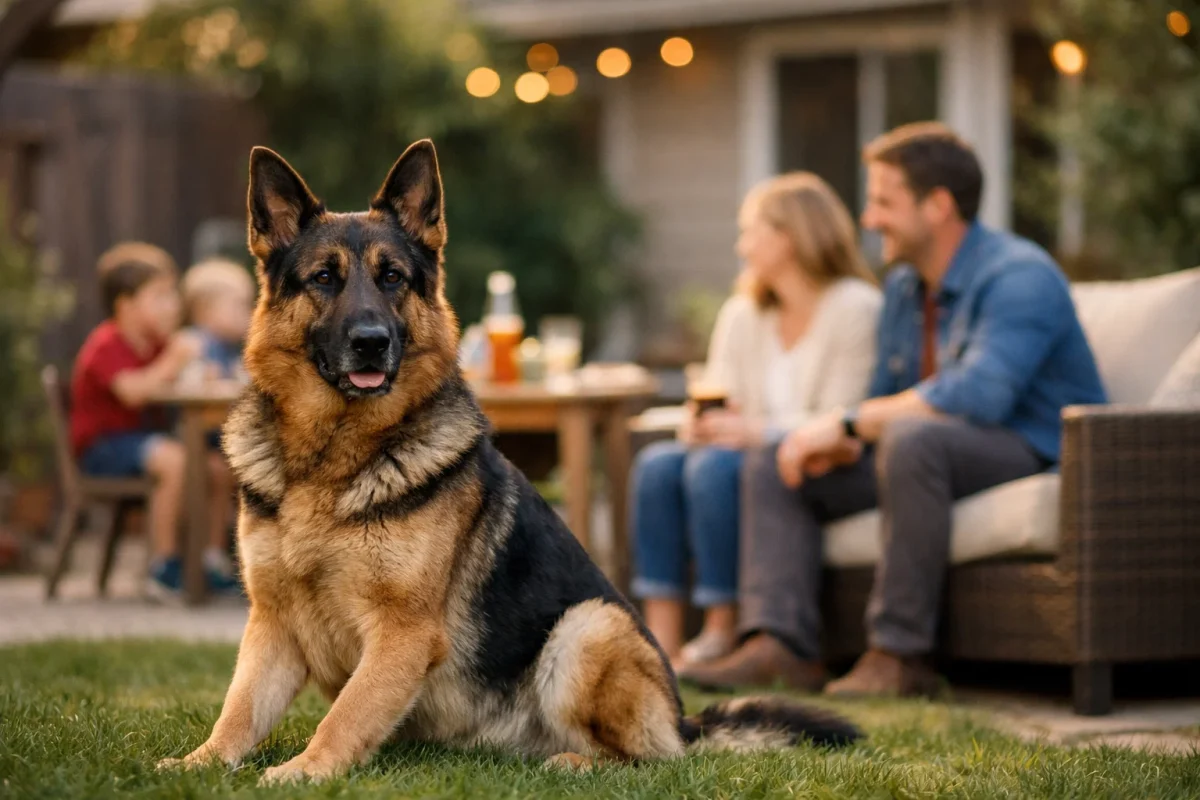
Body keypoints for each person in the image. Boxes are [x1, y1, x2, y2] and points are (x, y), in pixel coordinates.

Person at [678, 122, 1108, 695]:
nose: (868, 218)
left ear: (937, 206)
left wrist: (850, 423)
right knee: (780, 461)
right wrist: (837, 440)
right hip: (933, 455)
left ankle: (899, 656)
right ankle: (782, 646)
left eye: (884, 201)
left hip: (1034, 447)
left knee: (911, 439)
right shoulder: (905, 288)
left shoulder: (1019, 276)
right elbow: (882, 394)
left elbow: (980, 396)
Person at [631, 172, 882, 670]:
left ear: (789, 238)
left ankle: (721, 628)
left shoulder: (857, 308)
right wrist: (703, 426)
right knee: (658, 464)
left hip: (811, 454)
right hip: (744, 445)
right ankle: (658, 642)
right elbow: (722, 398)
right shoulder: (744, 312)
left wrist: (754, 433)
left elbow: (843, 414)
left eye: (751, 231)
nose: (741, 245)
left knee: (712, 469)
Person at [70, 242, 239, 599]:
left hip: (148, 443)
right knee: (175, 460)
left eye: (173, 296)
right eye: (160, 297)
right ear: (126, 306)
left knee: (218, 467)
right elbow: (132, 392)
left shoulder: (159, 345)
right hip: (102, 451)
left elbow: (179, 385)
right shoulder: (106, 344)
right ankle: (163, 567)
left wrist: (200, 373)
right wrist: (173, 363)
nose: (173, 306)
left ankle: (209, 560)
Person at [180, 257, 255, 382]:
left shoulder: (231, 347)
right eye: (239, 305)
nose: (248, 313)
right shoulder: (193, 344)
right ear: (206, 308)